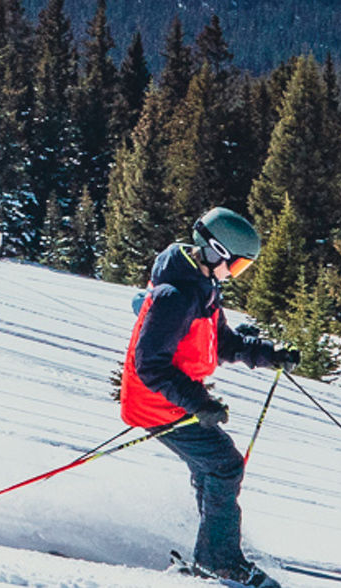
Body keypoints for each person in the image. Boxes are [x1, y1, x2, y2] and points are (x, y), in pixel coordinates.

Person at [121, 207, 296, 588]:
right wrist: (198, 402)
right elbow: (149, 364)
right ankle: (219, 560)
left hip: (174, 399)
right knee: (224, 465)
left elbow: (224, 343)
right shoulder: (176, 296)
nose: (235, 275)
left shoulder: (201, 289)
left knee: (214, 464)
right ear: (216, 251)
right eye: (236, 266)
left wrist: (270, 354)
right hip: (157, 402)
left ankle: (212, 547)